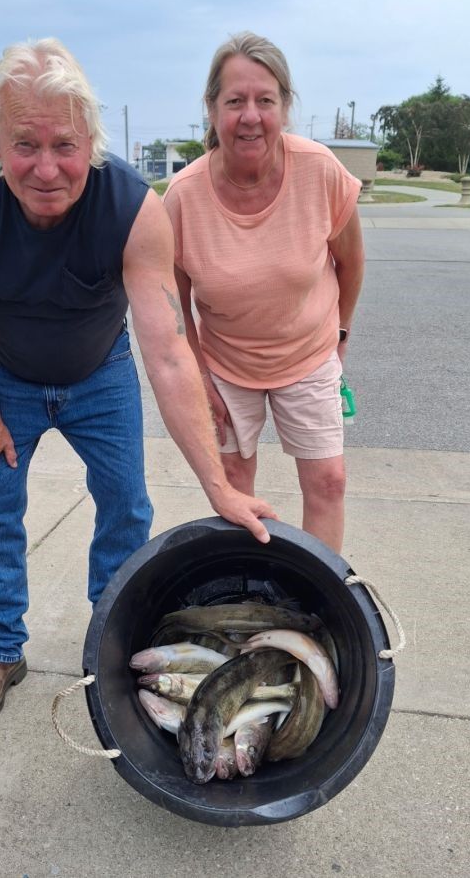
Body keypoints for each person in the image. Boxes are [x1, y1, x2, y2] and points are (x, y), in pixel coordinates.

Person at [0, 38, 275, 727]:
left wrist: (219, 485)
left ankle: (111, 640)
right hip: (3, 372)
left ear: (92, 140)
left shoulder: (133, 207)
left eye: (65, 146)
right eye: (25, 144)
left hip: (100, 369)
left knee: (125, 507)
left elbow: (168, 352)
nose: (47, 168)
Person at [163, 32, 365, 555]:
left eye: (264, 100)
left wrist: (340, 336)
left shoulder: (321, 171)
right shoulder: (182, 197)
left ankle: (322, 602)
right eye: (234, 101)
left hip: (310, 352)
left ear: (284, 106)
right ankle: (246, 591)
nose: (250, 116)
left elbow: (351, 262)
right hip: (226, 364)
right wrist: (200, 376)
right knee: (232, 481)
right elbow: (175, 308)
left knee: (328, 482)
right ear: (211, 109)